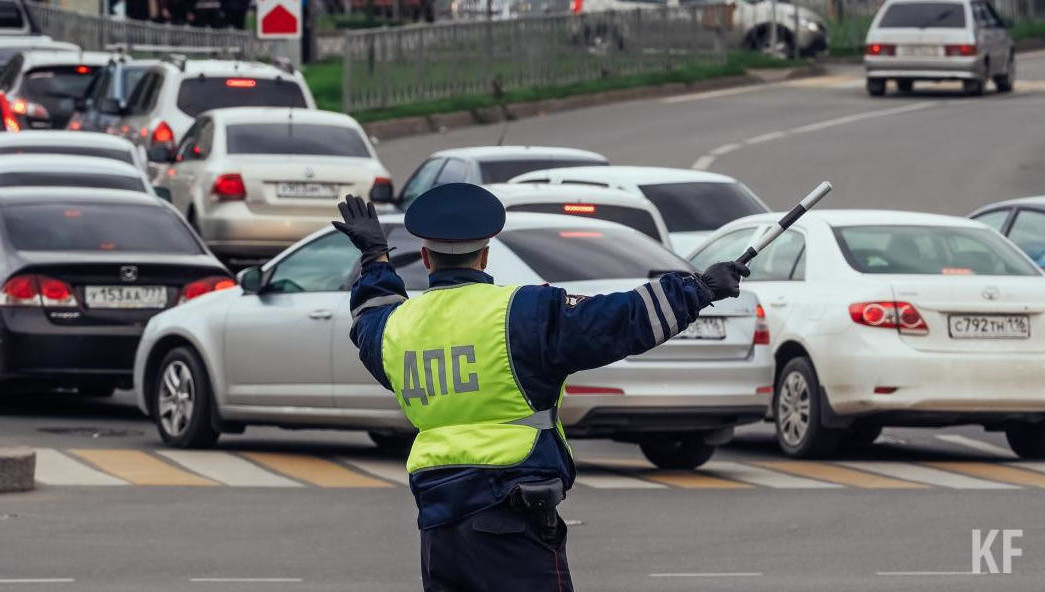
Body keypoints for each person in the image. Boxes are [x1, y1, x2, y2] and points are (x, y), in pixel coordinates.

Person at [335, 183, 749, 591]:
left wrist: (375, 257)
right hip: (511, 515)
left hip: (439, 527)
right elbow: (618, 320)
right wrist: (699, 289)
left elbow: (370, 315)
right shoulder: (523, 311)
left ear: (425, 258)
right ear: (485, 254)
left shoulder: (397, 329)